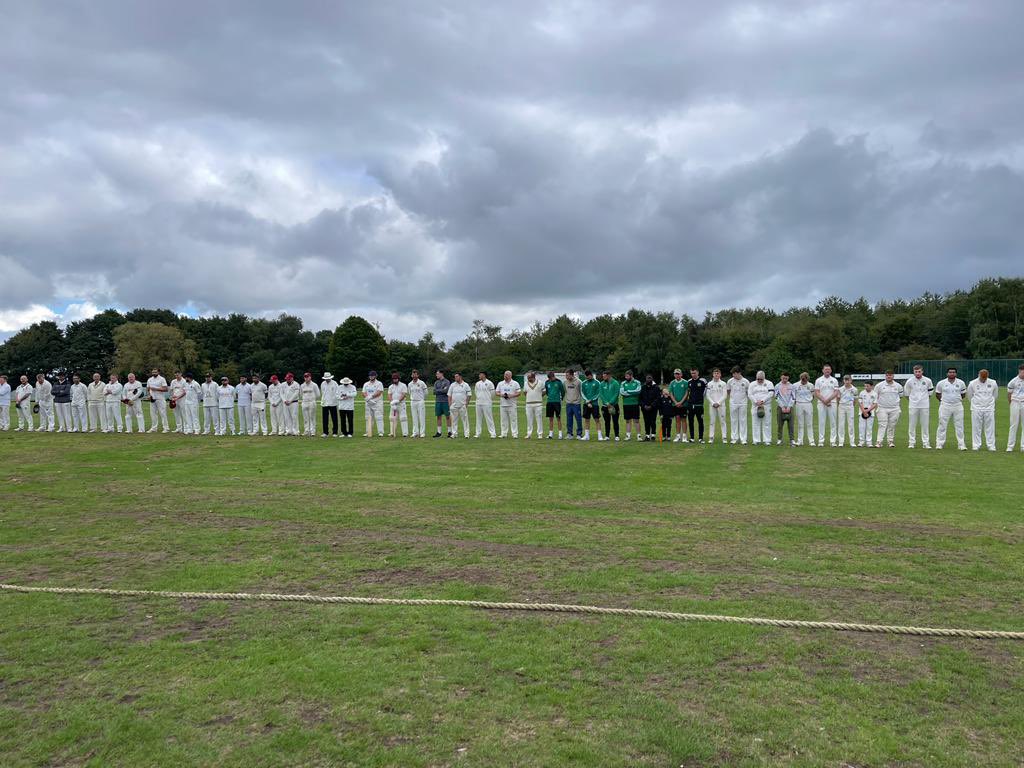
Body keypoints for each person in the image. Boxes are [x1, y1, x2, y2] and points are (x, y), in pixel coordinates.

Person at [934, 367, 967, 451]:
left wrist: (955, 400)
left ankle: (961, 444)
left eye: (953, 372)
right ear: (947, 373)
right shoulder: (941, 383)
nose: (952, 374)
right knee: (942, 425)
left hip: (958, 406)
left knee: (959, 426)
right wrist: (944, 401)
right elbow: (938, 394)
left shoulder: (961, 383)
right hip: (945, 405)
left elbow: (963, 395)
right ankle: (939, 443)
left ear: (956, 374)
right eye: (950, 372)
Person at [966, 369, 998, 452]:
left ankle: (991, 445)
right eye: (982, 378)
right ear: (979, 375)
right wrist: (975, 404)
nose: (983, 379)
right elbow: (969, 395)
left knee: (990, 427)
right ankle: (976, 445)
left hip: (989, 408)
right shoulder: (972, 383)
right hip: (976, 408)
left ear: (987, 376)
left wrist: (990, 404)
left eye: (985, 378)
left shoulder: (993, 383)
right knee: (976, 427)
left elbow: (995, 395)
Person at [904, 365, 934, 449]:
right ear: (913, 372)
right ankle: (911, 442)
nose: (917, 373)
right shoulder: (909, 381)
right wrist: (913, 400)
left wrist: (924, 399)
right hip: (913, 405)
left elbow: (930, 392)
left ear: (922, 371)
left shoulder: (928, 380)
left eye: (919, 371)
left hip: (924, 405)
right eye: (916, 371)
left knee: (925, 425)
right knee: (912, 424)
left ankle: (926, 443)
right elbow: (906, 393)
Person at [874, 371, 903, 448]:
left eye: (890, 375)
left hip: (894, 408)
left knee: (892, 425)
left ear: (893, 376)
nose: (888, 377)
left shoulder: (898, 386)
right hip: (882, 408)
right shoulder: (879, 385)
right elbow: (875, 396)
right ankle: (879, 441)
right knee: (882, 425)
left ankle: (890, 441)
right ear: (885, 376)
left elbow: (900, 396)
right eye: (887, 375)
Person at [814, 365, 840, 447]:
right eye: (826, 369)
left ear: (831, 370)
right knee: (821, 422)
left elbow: (836, 392)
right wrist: (824, 401)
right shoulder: (818, 380)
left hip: (832, 403)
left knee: (833, 422)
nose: (827, 371)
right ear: (823, 370)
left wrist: (828, 400)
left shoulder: (834, 380)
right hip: (821, 403)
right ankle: (821, 441)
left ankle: (833, 441)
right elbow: (817, 392)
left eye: (828, 369)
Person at [747, 371, 774, 445]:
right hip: (755, 405)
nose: (759, 381)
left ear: (764, 378)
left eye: (761, 379)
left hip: (766, 405)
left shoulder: (769, 383)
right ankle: (756, 440)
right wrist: (756, 402)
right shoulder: (752, 384)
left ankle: (767, 440)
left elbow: (771, 393)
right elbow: (750, 394)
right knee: (755, 423)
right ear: (756, 378)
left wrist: (762, 401)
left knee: (767, 423)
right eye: (758, 379)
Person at [726, 367, 749, 445]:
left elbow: (748, 392)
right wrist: (733, 399)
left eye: (734, 373)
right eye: (732, 374)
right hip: (733, 403)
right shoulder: (730, 381)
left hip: (743, 403)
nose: (733, 375)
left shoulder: (746, 381)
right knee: (733, 421)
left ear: (738, 373)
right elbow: (728, 391)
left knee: (743, 420)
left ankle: (743, 439)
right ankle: (734, 438)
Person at [495, 370, 521, 438]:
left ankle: (514, 434)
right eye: (504, 375)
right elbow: (497, 392)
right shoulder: (500, 383)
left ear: (510, 376)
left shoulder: (515, 383)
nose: (505, 376)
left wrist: (511, 395)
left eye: (506, 375)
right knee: (503, 420)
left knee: (513, 419)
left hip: (512, 404)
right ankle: (504, 433)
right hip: (503, 404)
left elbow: (518, 393)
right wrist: (502, 395)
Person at [705, 369, 727, 443]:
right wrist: (713, 403)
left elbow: (725, 395)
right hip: (712, 406)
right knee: (712, 421)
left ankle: (724, 437)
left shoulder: (723, 383)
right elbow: (707, 395)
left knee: (722, 421)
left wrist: (718, 403)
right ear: (713, 374)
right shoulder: (709, 384)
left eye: (718, 373)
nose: (716, 375)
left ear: (720, 375)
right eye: (715, 373)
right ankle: (711, 437)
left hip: (721, 405)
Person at [793, 372, 815, 446]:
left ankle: (811, 441)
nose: (803, 382)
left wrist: (809, 400)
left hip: (808, 404)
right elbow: (793, 395)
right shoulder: (795, 385)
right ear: (800, 379)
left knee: (809, 423)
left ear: (807, 379)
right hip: (799, 404)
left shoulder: (811, 385)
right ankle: (800, 441)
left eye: (805, 380)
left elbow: (813, 395)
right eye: (802, 380)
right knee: (800, 424)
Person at [836, 375, 859, 447]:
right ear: (843, 381)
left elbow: (855, 400)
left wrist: (851, 406)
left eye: (848, 380)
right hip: (842, 406)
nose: (847, 381)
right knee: (841, 424)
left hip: (850, 407)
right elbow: (838, 399)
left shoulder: (854, 389)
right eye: (845, 380)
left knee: (851, 424)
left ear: (851, 380)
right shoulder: (840, 389)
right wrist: (840, 405)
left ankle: (852, 442)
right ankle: (841, 442)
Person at [667, 369, 689, 443]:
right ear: (674, 375)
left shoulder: (685, 382)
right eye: (676, 374)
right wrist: (676, 402)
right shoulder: (672, 383)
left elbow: (686, 393)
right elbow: (671, 393)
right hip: (675, 404)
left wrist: (681, 402)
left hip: (684, 404)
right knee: (677, 419)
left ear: (681, 374)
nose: (677, 375)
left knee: (684, 419)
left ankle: (684, 436)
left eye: (678, 374)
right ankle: (678, 436)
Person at [146, 368, 170, 434]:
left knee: (163, 413)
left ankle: (166, 428)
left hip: (160, 399)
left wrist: (156, 389)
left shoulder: (162, 379)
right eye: (153, 372)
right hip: (152, 399)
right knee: (153, 414)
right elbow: (148, 389)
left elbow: (166, 389)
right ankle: (154, 428)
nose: (154, 373)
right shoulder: (150, 379)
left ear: (158, 372)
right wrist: (149, 395)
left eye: (155, 372)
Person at [774, 372, 795, 446]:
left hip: (790, 408)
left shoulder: (791, 386)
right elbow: (776, 397)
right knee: (780, 424)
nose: (784, 380)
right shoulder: (777, 386)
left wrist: (789, 406)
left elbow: (793, 397)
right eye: (783, 378)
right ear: (781, 377)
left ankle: (792, 440)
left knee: (791, 425)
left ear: (788, 378)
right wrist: (782, 406)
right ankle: (779, 439)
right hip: (780, 408)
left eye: (786, 378)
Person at [448, 372, 472, 438]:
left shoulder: (466, 385)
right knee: (454, 421)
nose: (455, 378)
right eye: (455, 377)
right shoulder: (452, 385)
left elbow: (469, 395)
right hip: (454, 406)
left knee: (465, 420)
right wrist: (450, 405)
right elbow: (449, 395)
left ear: (460, 377)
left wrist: (466, 404)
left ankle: (466, 434)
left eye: (457, 376)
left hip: (462, 406)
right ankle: (454, 433)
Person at [619, 371, 641, 441]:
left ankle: (639, 436)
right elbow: (622, 392)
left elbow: (638, 391)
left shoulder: (637, 382)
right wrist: (632, 392)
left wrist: (628, 391)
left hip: (635, 404)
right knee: (628, 421)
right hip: (626, 404)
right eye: (625, 376)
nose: (626, 378)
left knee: (636, 420)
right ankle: (628, 436)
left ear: (631, 375)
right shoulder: (623, 383)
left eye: (627, 376)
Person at [599, 371, 620, 441]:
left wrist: (610, 403)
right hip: (605, 406)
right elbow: (601, 394)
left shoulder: (615, 383)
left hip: (614, 405)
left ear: (609, 376)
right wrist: (606, 403)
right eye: (603, 376)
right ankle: (607, 436)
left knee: (615, 421)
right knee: (607, 421)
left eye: (604, 376)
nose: (603, 377)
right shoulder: (602, 384)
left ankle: (617, 436)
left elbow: (616, 394)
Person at [580, 370, 601, 441]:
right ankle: (586, 436)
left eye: (588, 376)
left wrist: (591, 400)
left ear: (591, 375)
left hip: (595, 404)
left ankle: (599, 436)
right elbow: (582, 393)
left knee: (597, 419)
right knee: (586, 420)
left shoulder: (597, 382)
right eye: (586, 376)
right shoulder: (583, 383)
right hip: (586, 404)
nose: (587, 378)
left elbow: (598, 393)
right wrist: (587, 401)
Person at [362, 371, 385, 437]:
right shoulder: (366, 384)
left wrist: (371, 396)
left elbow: (379, 392)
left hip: (377, 402)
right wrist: (367, 398)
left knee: (379, 417)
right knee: (368, 418)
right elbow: (363, 392)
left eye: (372, 376)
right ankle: (368, 432)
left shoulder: (379, 383)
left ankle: (380, 432)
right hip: (369, 403)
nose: (371, 377)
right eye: (370, 376)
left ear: (375, 376)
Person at [687, 369, 707, 443]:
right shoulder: (689, 381)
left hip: (699, 405)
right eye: (692, 373)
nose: (693, 374)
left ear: (698, 373)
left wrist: (702, 399)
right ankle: (692, 438)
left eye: (694, 373)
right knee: (690, 422)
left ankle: (700, 438)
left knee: (700, 422)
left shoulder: (703, 381)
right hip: (690, 405)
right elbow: (688, 392)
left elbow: (707, 390)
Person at [1007, 363, 1024, 452]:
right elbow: (1009, 394)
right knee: (1014, 425)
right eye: (1023, 372)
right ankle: (1010, 446)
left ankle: (1023, 446)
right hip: (1015, 402)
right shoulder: (1013, 381)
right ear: (1019, 371)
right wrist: (1012, 404)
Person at [523, 371, 545, 439]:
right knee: (529, 420)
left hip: (538, 404)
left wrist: (539, 397)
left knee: (539, 419)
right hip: (528, 404)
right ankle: (529, 434)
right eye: (528, 378)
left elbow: (544, 391)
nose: (528, 379)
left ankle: (540, 434)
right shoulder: (526, 383)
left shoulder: (540, 382)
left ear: (534, 377)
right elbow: (525, 392)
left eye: (529, 378)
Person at [474, 372, 496, 438]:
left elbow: (492, 393)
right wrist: (479, 398)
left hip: (487, 403)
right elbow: (476, 392)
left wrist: (488, 399)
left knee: (489, 418)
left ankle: (493, 433)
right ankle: (478, 433)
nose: (479, 376)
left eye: (480, 374)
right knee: (478, 419)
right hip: (478, 403)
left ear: (484, 375)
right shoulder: (477, 383)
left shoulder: (489, 383)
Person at [639, 374, 661, 441]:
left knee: (652, 421)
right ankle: (647, 435)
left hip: (653, 408)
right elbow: (640, 398)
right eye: (647, 378)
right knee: (646, 421)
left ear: (652, 379)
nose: (648, 379)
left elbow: (658, 398)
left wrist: (651, 406)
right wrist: (644, 406)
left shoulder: (656, 387)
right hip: (645, 408)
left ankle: (653, 435)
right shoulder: (643, 387)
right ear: (645, 379)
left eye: (650, 378)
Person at [544, 371, 565, 439]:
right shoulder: (547, 382)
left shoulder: (559, 382)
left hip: (557, 402)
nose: (550, 379)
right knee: (550, 418)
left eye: (551, 378)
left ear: (554, 376)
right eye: (549, 378)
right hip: (549, 402)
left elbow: (562, 391)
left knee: (558, 418)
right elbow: (547, 392)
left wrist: (561, 399)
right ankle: (550, 434)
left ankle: (560, 434)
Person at [387, 372, 409, 437]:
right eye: (394, 379)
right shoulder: (391, 387)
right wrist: (392, 403)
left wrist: (398, 401)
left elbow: (404, 394)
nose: (395, 380)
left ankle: (405, 433)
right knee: (392, 418)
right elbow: (389, 395)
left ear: (398, 379)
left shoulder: (403, 385)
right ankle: (392, 432)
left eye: (396, 379)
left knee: (403, 418)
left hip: (401, 404)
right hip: (393, 405)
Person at [408, 370, 428, 438]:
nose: (414, 376)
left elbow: (426, 393)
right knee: (414, 417)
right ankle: (415, 432)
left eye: (415, 374)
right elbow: (409, 392)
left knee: (421, 417)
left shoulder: (421, 383)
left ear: (418, 375)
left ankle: (422, 433)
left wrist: (422, 399)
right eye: (413, 375)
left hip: (420, 401)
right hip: (413, 401)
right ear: (411, 375)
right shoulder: (410, 384)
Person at [299, 372, 320, 437]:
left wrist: (312, 399)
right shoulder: (302, 385)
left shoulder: (314, 385)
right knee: (305, 418)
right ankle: (306, 431)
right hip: (304, 402)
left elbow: (318, 395)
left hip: (311, 402)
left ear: (310, 377)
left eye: (307, 377)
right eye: (305, 377)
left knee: (312, 417)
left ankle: (312, 431)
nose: (306, 378)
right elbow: (300, 394)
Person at [563, 369, 582, 439]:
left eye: (567, 375)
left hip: (576, 404)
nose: (566, 377)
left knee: (578, 419)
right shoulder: (565, 382)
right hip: (568, 404)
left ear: (572, 375)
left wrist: (578, 400)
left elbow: (581, 392)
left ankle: (579, 434)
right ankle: (569, 434)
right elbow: (565, 391)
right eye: (566, 375)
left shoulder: (579, 382)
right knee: (569, 419)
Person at [857, 381, 877, 448]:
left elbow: (875, 404)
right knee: (862, 427)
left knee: (869, 428)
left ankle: (869, 442)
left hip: (871, 413)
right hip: (862, 413)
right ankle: (861, 442)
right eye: (865, 386)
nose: (866, 387)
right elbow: (860, 402)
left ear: (871, 386)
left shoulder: (874, 394)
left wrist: (868, 411)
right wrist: (863, 411)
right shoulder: (862, 393)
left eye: (867, 386)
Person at [320, 372, 340, 437]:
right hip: (325, 403)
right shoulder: (323, 384)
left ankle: (335, 432)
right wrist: (324, 400)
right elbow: (323, 393)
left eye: (328, 378)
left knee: (334, 418)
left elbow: (337, 392)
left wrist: (335, 399)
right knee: (325, 418)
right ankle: (325, 432)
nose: (327, 379)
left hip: (333, 403)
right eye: (326, 378)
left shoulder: (335, 383)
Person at [433, 370, 452, 438]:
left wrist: (439, 390)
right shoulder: (436, 382)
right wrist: (441, 390)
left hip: (445, 401)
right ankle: (439, 432)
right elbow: (434, 391)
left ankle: (449, 431)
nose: (436, 375)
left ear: (441, 374)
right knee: (438, 416)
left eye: (437, 374)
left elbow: (446, 391)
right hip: (438, 401)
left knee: (447, 416)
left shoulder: (447, 382)